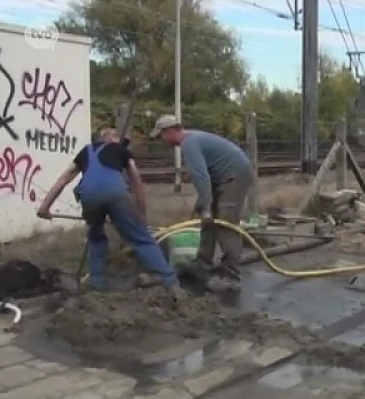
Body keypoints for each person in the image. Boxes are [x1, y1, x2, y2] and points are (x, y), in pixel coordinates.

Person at [36, 128, 186, 298]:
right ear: (108, 137)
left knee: (96, 237)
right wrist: (141, 216)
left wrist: (44, 207)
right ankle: (170, 283)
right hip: (115, 193)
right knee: (141, 239)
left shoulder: (85, 151)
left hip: (88, 196)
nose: (122, 142)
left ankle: (97, 285)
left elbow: (64, 179)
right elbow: (136, 181)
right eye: (118, 138)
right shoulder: (120, 149)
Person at [149, 115, 255, 293]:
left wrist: (207, 206)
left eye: (161, 136)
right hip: (223, 178)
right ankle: (202, 266)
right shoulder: (193, 139)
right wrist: (204, 204)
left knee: (226, 226)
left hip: (234, 178)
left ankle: (231, 277)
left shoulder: (189, 144)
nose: (162, 141)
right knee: (208, 223)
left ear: (170, 131)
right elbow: (209, 174)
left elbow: (201, 177)